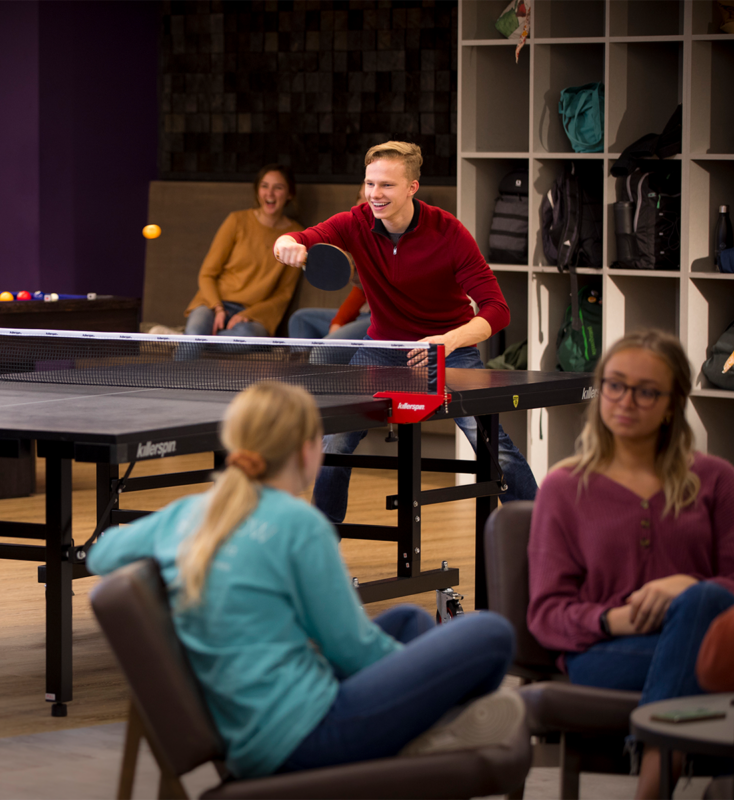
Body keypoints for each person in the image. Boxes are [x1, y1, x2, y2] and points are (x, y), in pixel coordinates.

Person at [88, 381, 523, 779]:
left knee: (409, 621)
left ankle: (440, 725)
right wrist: (423, 682)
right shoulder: (299, 523)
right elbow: (350, 650)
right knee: (491, 632)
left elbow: (103, 555)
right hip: (306, 735)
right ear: (307, 449)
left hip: (254, 726)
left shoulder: (190, 513)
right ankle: (434, 733)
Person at [273, 141, 537, 525]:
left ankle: (543, 532)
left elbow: (497, 309)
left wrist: (449, 340)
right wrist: (287, 245)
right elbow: (300, 237)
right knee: (335, 439)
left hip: (449, 351)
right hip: (381, 348)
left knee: (496, 446)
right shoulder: (356, 221)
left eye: (387, 186)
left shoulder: (449, 232)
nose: (375, 195)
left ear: (412, 187)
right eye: (370, 184)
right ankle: (322, 543)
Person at [527, 329, 734, 800]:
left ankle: (655, 777)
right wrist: (612, 618)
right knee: (711, 658)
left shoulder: (717, 479)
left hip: (711, 642)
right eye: (615, 385)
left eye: (646, 391)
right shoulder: (565, 487)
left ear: (671, 404)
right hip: (607, 653)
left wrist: (683, 589)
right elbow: (546, 615)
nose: (625, 401)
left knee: (702, 599)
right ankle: (657, 783)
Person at [183, 165, 303, 338]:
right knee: (195, 334)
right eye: (264, 186)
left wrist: (248, 314)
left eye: (278, 187)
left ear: (289, 194)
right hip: (212, 303)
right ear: (257, 191)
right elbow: (207, 274)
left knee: (239, 339)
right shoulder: (236, 221)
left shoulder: (296, 237)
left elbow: (283, 294)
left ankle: (196, 339)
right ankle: (190, 337)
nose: (270, 193)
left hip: (252, 315)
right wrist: (218, 308)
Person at [288, 184, 372, 341]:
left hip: (377, 319)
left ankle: (319, 358)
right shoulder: (356, 232)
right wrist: (285, 242)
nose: (361, 202)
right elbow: (360, 290)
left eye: (367, 198)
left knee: (324, 350)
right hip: (361, 313)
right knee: (300, 319)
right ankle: (302, 365)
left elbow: (363, 291)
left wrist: (338, 323)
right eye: (360, 196)